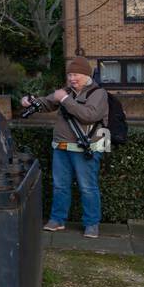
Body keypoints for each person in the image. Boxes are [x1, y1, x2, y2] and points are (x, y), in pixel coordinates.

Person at [21, 56, 109, 238]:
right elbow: (46, 103)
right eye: (69, 75)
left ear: (86, 75)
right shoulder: (66, 91)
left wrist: (66, 99)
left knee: (87, 187)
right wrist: (32, 102)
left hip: (85, 149)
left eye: (75, 74)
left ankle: (92, 224)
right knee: (60, 186)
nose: (72, 78)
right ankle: (57, 220)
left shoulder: (98, 94)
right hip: (61, 147)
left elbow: (89, 115)